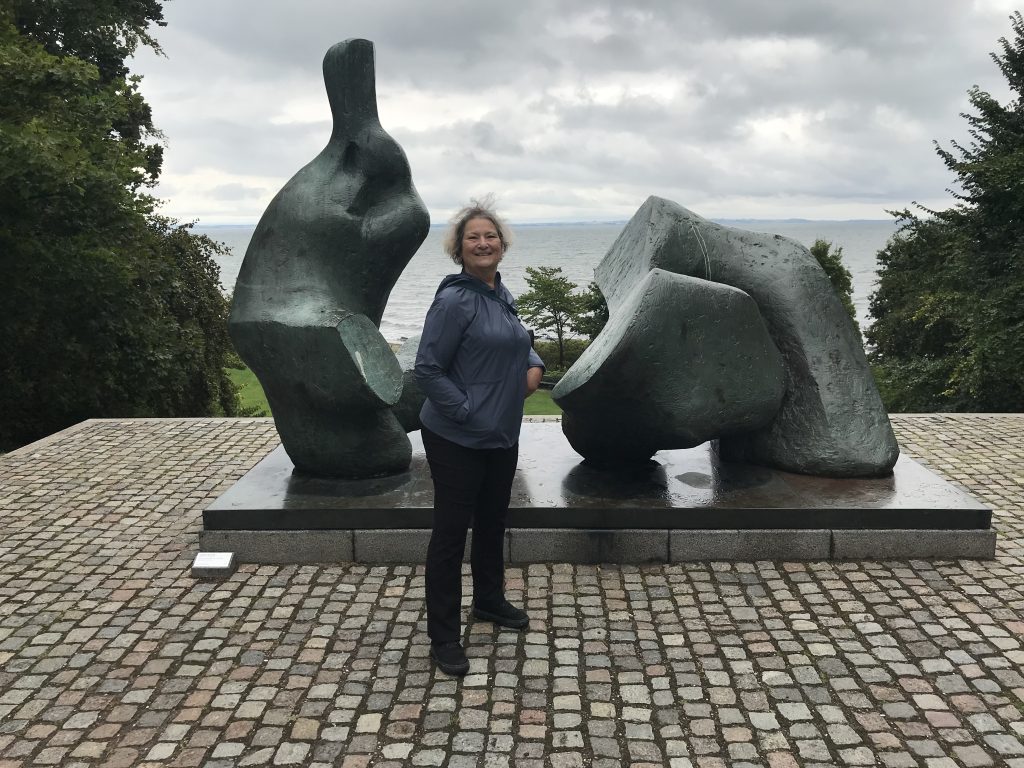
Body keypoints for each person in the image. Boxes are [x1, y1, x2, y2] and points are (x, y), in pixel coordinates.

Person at [414, 198, 545, 677]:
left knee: (492, 521)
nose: (484, 243)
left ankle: (488, 600)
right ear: (460, 249)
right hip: (457, 436)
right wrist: (466, 410)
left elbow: (520, 342)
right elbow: (427, 369)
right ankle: (444, 636)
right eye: (474, 237)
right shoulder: (455, 301)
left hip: (501, 432)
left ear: (502, 245)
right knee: (451, 534)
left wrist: (535, 367)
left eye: (490, 236)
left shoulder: (500, 294)